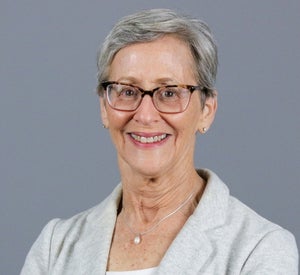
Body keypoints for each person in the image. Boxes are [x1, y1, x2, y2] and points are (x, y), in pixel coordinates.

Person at [21, 9, 298, 274]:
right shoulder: (55, 246)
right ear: (104, 108)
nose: (145, 115)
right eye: (127, 91)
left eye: (169, 93)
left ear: (206, 111)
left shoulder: (260, 247)